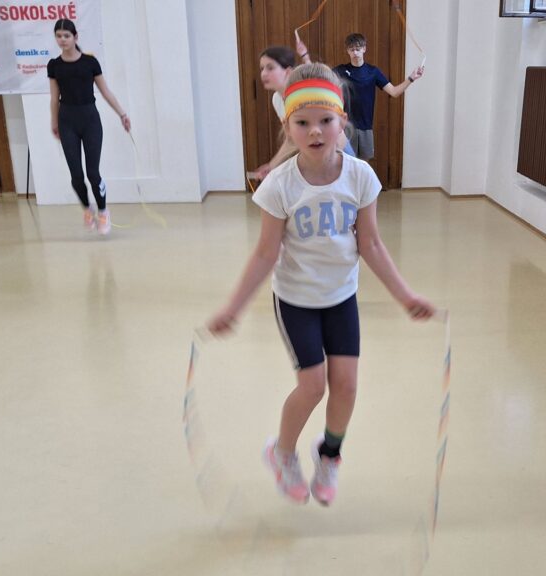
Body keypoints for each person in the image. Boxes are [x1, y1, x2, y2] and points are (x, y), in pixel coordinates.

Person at [208, 63, 435, 506]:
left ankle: (329, 455)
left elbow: (370, 244)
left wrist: (405, 296)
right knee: (313, 385)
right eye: (303, 122)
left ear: (342, 121)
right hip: (295, 299)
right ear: (287, 127)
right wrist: (233, 308)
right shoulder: (279, 186)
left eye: (325, 120)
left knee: (346, 385)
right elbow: (265, 254)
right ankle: (281, 453)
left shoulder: (360, 176)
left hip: (341, 297)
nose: (315, 131)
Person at [48, 18, 130, 235]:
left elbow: (105, 91)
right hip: (67, 121)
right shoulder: (54, 65)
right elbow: (54, 98)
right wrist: (54, 121)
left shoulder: (90, 63)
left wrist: (122, 114)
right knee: (76, 175)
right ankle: (87, 208)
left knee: (93, 173)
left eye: (66, 36)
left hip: (90, 121)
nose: (62, 40)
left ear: (75, 37)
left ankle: (103, 211)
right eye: (59, 36)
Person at [253, 44, 354, 181]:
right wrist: (272, 166)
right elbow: (290, 140)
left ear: (288, 71)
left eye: (270, 68)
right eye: (262, 68)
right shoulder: (277, 99)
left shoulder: (306, 93)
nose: (264, 73)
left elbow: (337, 139)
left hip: (339, 152)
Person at [333, 33, 424, 162]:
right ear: (348, 51)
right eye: (352, 50)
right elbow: (323, 78)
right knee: (345, 163)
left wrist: (411, 78)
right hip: (347, 127)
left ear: (364, 49)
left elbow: (394, 92)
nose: (355, 53)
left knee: (364, 165)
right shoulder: (341, 70)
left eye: (358, 49)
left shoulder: (373, 72)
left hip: (366, 127)